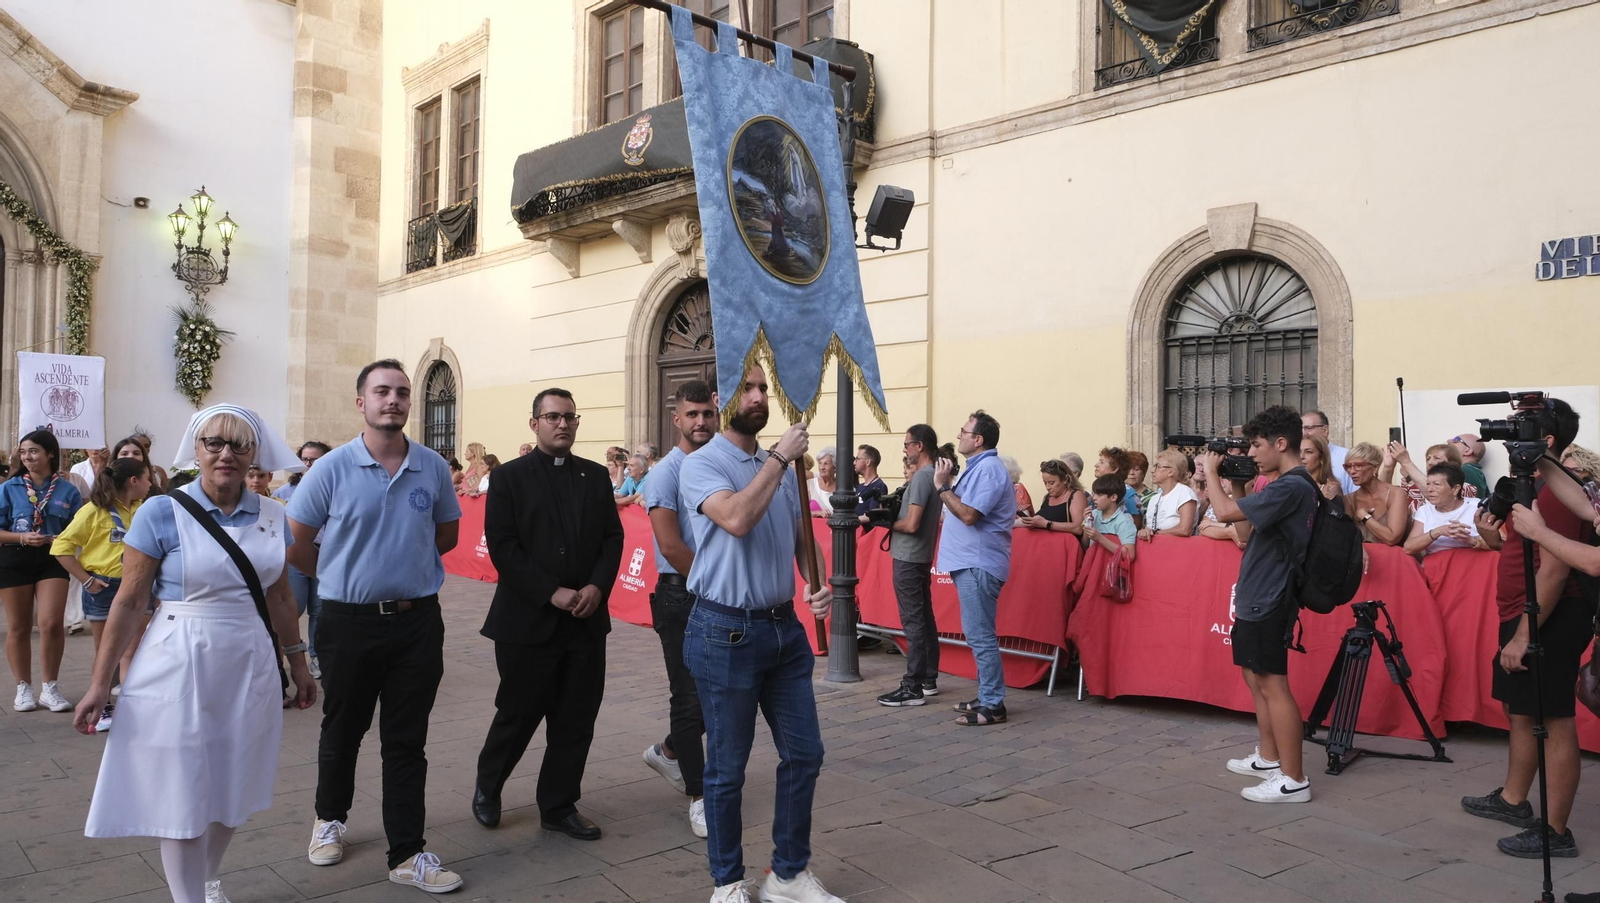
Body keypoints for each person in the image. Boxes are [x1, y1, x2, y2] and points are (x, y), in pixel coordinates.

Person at [75, 404, 316, 903]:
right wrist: (100, 683)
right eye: (214, 443)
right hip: (178, 658)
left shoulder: (274, 515)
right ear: (197, 449)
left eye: (238, 445)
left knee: (233, 787)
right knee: (181, 791)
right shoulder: (162, 511)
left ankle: (204, 882)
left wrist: (299, 663)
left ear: (255, 453)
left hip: (249, 660)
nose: (225, 454)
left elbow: (280, 597)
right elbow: (130, 600)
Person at [287, 359, 464, 893]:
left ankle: (408, 852)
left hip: (416, 623)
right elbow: (297, 543)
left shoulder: (431, 466)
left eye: (402, 392)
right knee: (344, 727)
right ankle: (329, 819)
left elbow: (448, 534)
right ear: (360, 402)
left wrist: (402, 569)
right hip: (347, 623)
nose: (393, 400)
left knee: (407, 739)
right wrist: (344, 577)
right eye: (381, 391)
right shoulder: (332, 469)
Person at [677, 363, 834, 903]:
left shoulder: (783, 468)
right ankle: (726, 883)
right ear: (722, 397)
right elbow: (738, 518)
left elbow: (799, 541)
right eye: (749, 387)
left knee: (805, 754)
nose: (759, 396)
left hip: (783, 629)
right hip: (724, 630)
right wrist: (780, 458)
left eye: (765, 388)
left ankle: (788, 875)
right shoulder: (702, 464)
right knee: (726, 769)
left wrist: (817, 583)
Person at [473, 387, 623, 843]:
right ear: (534, 423)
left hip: (585, 622)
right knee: (517, 714)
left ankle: (558, 805)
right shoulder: (509, 478)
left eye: (570, 417)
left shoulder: (595, 477)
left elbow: (611, 539)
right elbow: (503, 546)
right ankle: (489, 787)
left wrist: (598, 586)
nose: (563, 424)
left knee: (576, 718)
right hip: (527, 623)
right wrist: (549, 592)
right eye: (553, 417)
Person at [1460, 400, 1594, 861]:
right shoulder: (1544, 482)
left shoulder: (1553, 495)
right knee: (1523, 709)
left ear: (1547, 439)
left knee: (1553, 718)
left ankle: (1555, 830)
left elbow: (1557, 566)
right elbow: (1522, 546)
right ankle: (1514, 800)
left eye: (1520, 427)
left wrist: (1523, 634)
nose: (1506, 433)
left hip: (1548, 616)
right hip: (1522, 609)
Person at [1202, 405, 1316, 805]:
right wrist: (1237, 484)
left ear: (1281, 444)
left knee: (1273, 684)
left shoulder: (1292, 485)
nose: (1250, 454)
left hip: (1271, 594)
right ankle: (1270, 758)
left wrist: (1212, 472)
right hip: (1258, 592)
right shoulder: (1280, 485)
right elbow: (1245, 531)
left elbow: (1221, 513)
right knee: (1256, 678)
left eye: (1255, 446)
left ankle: (1294, 779)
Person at [641, 380, 717, 835]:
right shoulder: (665, 472)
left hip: (715, 592)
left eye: (707, 413)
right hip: (680, 594)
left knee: (722, 695)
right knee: (688, 698)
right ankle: (699, 795)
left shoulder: (720, 464)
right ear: (677, 419)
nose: (701, 422)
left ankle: (669, 751)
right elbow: (670, 544)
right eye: (692, 415)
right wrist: (717, 582)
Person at [52, 457, 151, 732]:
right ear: (133, 481)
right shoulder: (94, 511)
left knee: (134, 649)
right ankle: (103, 704)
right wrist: (86, 580)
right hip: (104, 587)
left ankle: (134, 705)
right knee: (105, 649)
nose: (150, 484)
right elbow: (61, 547)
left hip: (138, 585)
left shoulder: (146, 510)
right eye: (147, 478)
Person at [935, 410, 1015, 727]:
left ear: (978, 439)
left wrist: (943, 487)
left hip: (978, 564)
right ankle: (986, 696)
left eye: (963, 431)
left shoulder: (990, 470)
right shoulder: (979, 468)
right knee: (977, 635)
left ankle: (993, 705)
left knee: (981, 637)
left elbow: (969, 515)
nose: (959, 436)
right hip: (970, 562)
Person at [0, 430, 83, 713]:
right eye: (23, 452)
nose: (27, 456)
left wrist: (66, 539)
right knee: (19, 627)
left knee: (50, 623)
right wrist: (22, 538)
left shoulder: (68, 490)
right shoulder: (9, 487)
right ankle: (23, 688)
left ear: (50, 453)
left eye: (33, 451)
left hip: (52, 560)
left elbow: (78, 529)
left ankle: (50, 688)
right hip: (14, 558)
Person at [874, 425, 945, 707]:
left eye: (907, 444)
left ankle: (912, 686)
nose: (904, 449)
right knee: (924, 619)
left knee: (914, 622)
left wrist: (884, 522)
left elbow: (912, 524)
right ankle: (927, 679)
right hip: (920, 555)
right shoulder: (933, 476)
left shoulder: (921, 478)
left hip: (909, 556)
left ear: (919, 446)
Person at [274, 441, 332, 679]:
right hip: (295, 557)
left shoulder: (333, 487)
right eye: (305, 460)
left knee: (320, 611)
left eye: (314, 460)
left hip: (325, 555)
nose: (309, 465)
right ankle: (279, 654)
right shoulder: (284, 493)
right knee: (293, 606)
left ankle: (316, 656)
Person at [1403, 463, 1486, 558]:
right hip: (1439, 565)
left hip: (1476, 561)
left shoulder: (1476, 507)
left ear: (1455, 489)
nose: (1429, 489)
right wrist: (1438, 532)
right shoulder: (1425, 511)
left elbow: (1500, 543)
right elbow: (1408, 548)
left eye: (1437, 484)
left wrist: (1471, 540)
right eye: (1428, 484)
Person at [1342, 442, 1409, 545]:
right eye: (1348, 466)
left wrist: (1364, 516)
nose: (1352, 471)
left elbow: (1392, 538)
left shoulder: (1395, 494)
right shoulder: (1349, 500)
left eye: (1358, 465)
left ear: (1375, 467)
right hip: (1362, 559)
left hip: (1393, 558)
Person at [1386, 441, 1477, 511]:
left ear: (1452, 463)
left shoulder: (1467, 488)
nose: (1430, 462)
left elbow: (1433, 493)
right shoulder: (1412, 487)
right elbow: (1384, 496)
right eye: (1428, 459)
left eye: (1437, 458)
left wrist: (1406, 462)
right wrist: (1388, 468)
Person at [1018, 458, 1088, 539]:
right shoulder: (1047, 497)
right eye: (1045, 483)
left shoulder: (1076, 495)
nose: (1048, 487)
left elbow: (1078, 528)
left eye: (1051, 483)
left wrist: (1046, 524)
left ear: (1065, 479)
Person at [1139, 449, 1198, 541]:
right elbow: (1149, 527)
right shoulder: (1154, 498)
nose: (1152, 470)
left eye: (1158, 466)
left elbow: (1185, 529)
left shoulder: (1184, 493)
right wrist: (1144, 532)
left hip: (1177, 549)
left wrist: (1156, 533)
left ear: (1171, 471)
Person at [1083, 474, 1138, 561]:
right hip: (1092, 565)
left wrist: (1100, 538)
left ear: (1113, 497)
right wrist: (1087, 523)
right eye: (1094, 494)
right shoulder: (1094, 514)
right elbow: (1085, 545)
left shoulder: (1124, 522)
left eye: (1099, 495)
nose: (1094, 498)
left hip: (1111, 569)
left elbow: (1129, 555)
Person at [1301, 410, 1355, 494]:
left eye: (1309, 428)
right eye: (1302, 429)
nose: (1304, 433)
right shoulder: (1296, 456)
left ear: (1325, 430)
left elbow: (1355, 495)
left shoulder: (1346, 457)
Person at [1094, 446, 1143, 524]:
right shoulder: (1097, 488)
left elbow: (1136, 523)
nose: (1096, 465)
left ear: (1114, 469)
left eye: (1102, 462)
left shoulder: (1127, 493)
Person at [1299, 434, 1343, 501]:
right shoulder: (1292, 484)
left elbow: (1334, 511)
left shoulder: (1331, 488)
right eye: (1298, 452)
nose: (1301, 456)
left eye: (1308, 452)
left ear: (1322, 458)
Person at [1450, 432, 1492, 500]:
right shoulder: (1476, 473)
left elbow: (1463, 504)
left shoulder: (1465, 471)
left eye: (1456, 440)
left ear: (1467, 451)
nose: (1450, 442)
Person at [853, 445, 887, 515]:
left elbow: (873, 515)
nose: (854, 462)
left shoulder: (879, 487)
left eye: (857, 459)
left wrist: (854, 520)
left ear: (868, 462)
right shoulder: (860, 487)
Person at [808, 446, 837, 517]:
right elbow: (799, 512)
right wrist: (817, 513)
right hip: (815, 527)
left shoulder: (842, 487)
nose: (822, 468)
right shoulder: (809, 484)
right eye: (820, 463)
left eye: (826, 464)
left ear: (835, 466)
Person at [1126, 451, 1157, 517]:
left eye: (1136, 469)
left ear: (1143, 473)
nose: (1131, 473)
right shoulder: (1118, 495)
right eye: (1128, 469)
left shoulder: (1153, 497)